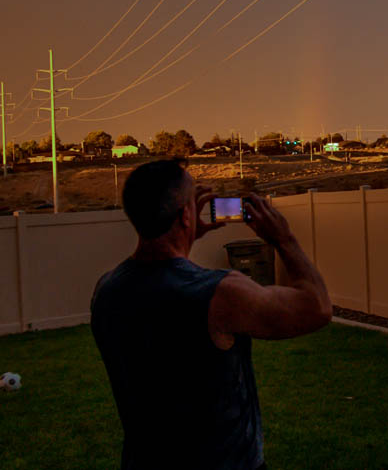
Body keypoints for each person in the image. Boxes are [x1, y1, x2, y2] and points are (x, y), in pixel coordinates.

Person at [90, 159, 332, 470]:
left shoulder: (106, 291)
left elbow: (162, 282)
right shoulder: (220, 293)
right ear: (185, 215)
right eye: (194, 200)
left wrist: (185, 236)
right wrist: (283, 239)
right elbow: (317, 307)